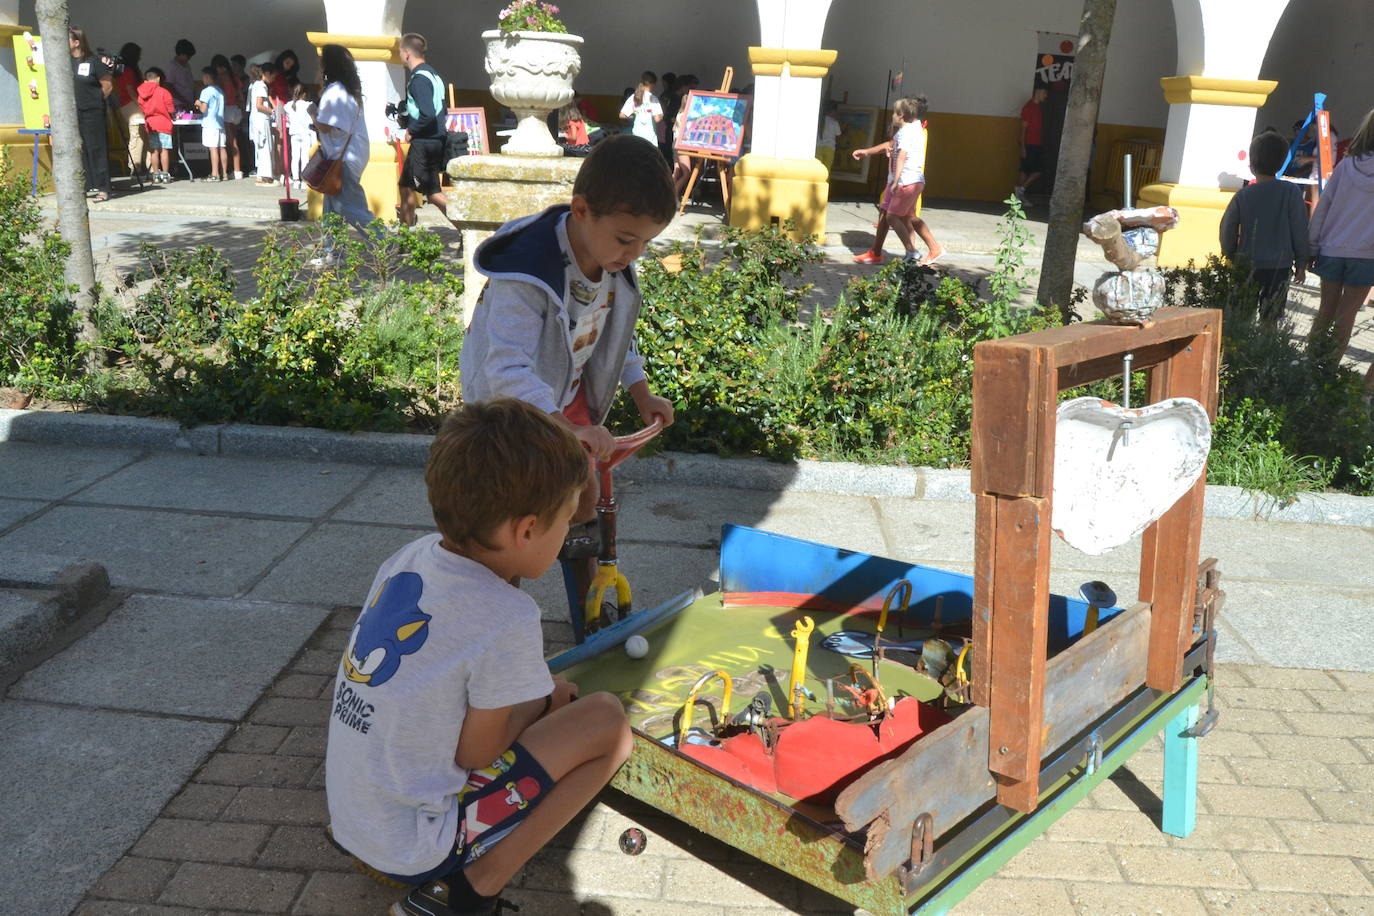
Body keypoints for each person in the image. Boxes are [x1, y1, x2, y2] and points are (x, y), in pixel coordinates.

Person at [324, 397, 633, 916]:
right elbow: (475, 755)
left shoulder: (413, 557)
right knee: (608, 724)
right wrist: (541, 704)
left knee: (550, 700)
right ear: (526, 529)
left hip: (358, 819)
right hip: (414, 846)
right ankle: (469, 892)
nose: (565, 539)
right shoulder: (506, 615)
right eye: (561, 527)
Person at [459, 134, 678, 604]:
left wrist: (640, 391)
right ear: (580, 210)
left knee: (581, 495)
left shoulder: (609, 260)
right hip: (508, 409)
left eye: (645, 243)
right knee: (515, 519)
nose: (634, 253)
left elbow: (614, 331)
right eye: (626, 239)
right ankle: (493, 608)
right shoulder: (529, 271)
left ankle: (586, 604)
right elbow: (504, 365)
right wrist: (563, 428)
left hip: (559, 396)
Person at [1218, 130, 1309, 326]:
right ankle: (1264, 352)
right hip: (1280, 267)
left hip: (1247, 263)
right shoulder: (1291, 193)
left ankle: (1238, 352)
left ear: (1251, 165)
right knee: (1271, 317)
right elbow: (1299, 229)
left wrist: (1230, 254)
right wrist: (1301, 263)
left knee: (1241, 314)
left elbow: (1227, 228)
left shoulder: (1243, 196)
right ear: (1282, 161)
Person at [1306, 106, 1374, 367]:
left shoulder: (1345, 166)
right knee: (1346, 317)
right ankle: (1327, 373)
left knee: (1325, 312)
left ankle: (1310, 367)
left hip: (1332, 249)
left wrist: (1312, 245)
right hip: (1366, 256)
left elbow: (1323, 207)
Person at [853, 96, 943, 265]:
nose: (892, 115)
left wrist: (895, 181)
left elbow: (902, 154)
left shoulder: (910, 131)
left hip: (904, 181)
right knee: (898, 215)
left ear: (902, 115)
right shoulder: (908, 129)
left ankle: (912, 251)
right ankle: (878, 252)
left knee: (892, 216)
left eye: (895, 113)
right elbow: (892, 146)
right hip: (899, 179)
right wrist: (867, 152)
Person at [311, 44, 374, 267]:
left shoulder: (335, 91)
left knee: (350, 207)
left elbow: (328, 127)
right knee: (331, 208)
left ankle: (384, 244)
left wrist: (312, 114)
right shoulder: (348, 90)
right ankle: (332, 252)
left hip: (342, 158)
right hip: (348, 155)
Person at [396, 33, 453, 227]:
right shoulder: (433, 75)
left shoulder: (419, 79)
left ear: (406, 53)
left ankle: (467, 226)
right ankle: (404, 237)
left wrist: (411, 129)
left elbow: (427, 113)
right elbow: (443, 108)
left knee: (432, 194)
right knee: (405, 187)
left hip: (425, 142)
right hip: (434, 139)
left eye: (399, 52)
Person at [69, 26, 113, 201]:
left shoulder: (93, 61)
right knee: (78, 150)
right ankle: (85, 186)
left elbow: (107, 84)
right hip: (72, 113)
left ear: (77, 42)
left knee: (96, 149)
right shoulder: (65, 62)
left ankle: (103, 188)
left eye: (67, 39)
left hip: (92, 112)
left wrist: (96, 100)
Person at [111, 42, 146, 179]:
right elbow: (131, 90)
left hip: (124, 104)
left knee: (138, 134)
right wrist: (141, 104)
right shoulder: (129, 71)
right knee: (137, 134)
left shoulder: (120, 70)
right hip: (132, 104)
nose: (140, 58)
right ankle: (135, 167)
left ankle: (139, 166)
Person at [137, 66, 175, 183]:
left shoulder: (141, 93)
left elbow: (142, 107)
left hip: (151, 123)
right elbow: (171, 109)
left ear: (146, 80)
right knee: (164, 150)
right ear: (158, 79)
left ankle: (156, 174)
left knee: (154, 150)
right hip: (163, 123)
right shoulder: (164, 92)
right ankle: (165, 174)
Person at [1014, 85, 1049, 202]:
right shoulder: (1028, 108)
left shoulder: (1038, 107)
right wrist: (1023, 147)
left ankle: (1020, 191)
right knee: (1024, 170)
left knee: (1037, 170)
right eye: (1044, 93)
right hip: (1029, 144)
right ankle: (1017, 196)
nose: (1046, 96)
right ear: (1038, 92)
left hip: (1037, 144)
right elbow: (1023, 129)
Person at [212, 54, 244, 179]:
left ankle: (236, 170)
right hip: (235, 109)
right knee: (235, 139)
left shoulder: (220, 78)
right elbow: (240, 96)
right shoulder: (234, 77)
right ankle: (237, 169)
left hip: (226, 110)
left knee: (230, 142)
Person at [194, 66, 226, 181]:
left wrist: (198, 103)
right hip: (220, 122)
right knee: (222, 147)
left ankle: (214, 174)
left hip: (210, 123)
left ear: (207, 77)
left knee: (213, 149)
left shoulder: (206, 91)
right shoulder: (219, 90)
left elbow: (204, 109)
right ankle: (224, 173)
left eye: (203, 76)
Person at [248, 64, 278, 185]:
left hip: (257, 120)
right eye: (273, 76)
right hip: (261, 120)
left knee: (261, 148)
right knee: (266, 147)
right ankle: (266, 176)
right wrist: (273, 111)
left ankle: (261, 175)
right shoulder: (261, 86)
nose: (274, 79)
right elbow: (259, 105)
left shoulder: (255, 85)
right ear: (267, 74)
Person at [284, 84, 317, 190]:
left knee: (295, 157)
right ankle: (304, 180)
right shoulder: (309, 105)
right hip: (305, 133)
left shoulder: (288, 105)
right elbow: (312, 120)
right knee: (305, 157)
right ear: (304, 94)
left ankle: (296, 180)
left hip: (294, 133)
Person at [619, 76, 661, 146]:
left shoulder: (633, 97)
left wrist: (632, 116)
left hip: (637, 135)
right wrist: (662, 115)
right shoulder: (653, 99)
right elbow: (657, 119)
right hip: (649, 137)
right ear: (653, 84)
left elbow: (622, 115)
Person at [165, 38, 196, 111]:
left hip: (189, 103)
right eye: (188, 56)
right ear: (181, 54)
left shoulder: (187, 65)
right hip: (178, 105)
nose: (189, 58)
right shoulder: (173, 66)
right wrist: (183, 101)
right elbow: (168, 86)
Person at [816, 99, 841, 173]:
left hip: (817, 147)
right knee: (826, 171)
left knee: (816, 170)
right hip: (829, 148)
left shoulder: (818, 120)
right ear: (833, 111)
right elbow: (838, 136)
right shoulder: (834, 122)